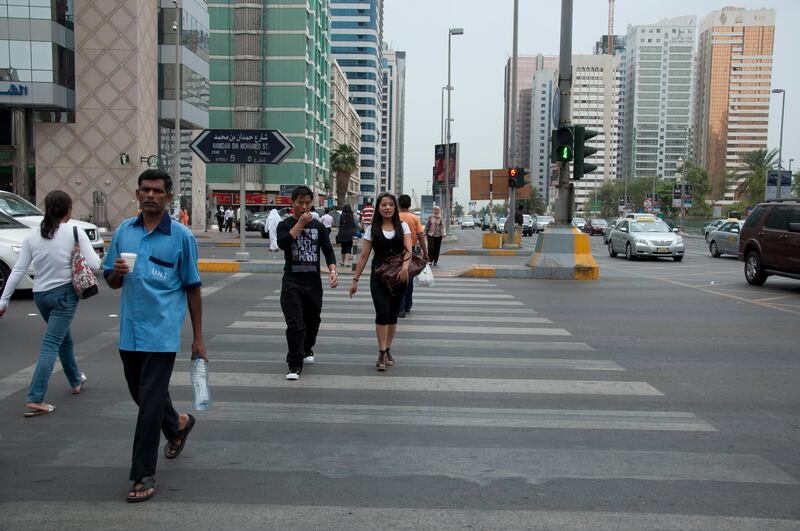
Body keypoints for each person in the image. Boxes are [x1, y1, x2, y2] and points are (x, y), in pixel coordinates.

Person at [103, 169, 206, 503]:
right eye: (145, 190)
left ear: (168, 197)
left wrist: (198, 338)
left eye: (157, 191)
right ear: (137, 194)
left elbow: (192, 289)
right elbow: (111, 279)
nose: (150, 195)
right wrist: (116, 275)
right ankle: (177, 424)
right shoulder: (124, 232)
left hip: (161, 335)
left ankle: (142, 474)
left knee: (147, 406)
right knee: (141, 395)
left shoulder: (181, 237)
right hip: (129, 334)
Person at [0, 190, 99, 417]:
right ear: (68, 210)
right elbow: (94, 265)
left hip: (40, 296)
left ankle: (75, 380)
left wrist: (3, 300)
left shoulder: (33, 236)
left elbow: (19, 269)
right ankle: (36, 398)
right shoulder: (75, 231)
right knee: (51, 344)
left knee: (63, 338)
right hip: (64, 295)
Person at [277, 186, 338, 380]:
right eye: (300, 202)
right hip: (292, 282)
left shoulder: (319, 227)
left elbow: (328, 250)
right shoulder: (285, 224)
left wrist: (333, 271)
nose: (304, 207)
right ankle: (294, 364)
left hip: (313, 283)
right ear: (292, 203)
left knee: (313, 322)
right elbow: (283, 243)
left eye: (307, 203)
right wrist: (300, 224)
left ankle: (307, 348)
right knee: (296, 325)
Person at [350, 192, 412, 371]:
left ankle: (389, 348)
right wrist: (355, 280)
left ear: (395, 207)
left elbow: (408, 250)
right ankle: (382, 351)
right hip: (378, 277)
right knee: (382, 313)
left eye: (390, 204)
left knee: (392, 316)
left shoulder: (403, 226)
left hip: (400, 277)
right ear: (379, 208)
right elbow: (363, 257)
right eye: (384, 205)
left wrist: (405, 269)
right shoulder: (372, 229)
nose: (387, 208)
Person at [397, 194, 428, 318]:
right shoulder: (414, 218)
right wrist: (425, 253)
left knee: (398, 280)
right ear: (410, 205)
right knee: (408, 279)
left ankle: (401, 307)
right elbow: (421, 236)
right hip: (411, 251)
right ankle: (407, 304)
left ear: (398, 204)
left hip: (396, 252)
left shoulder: (394, 217)